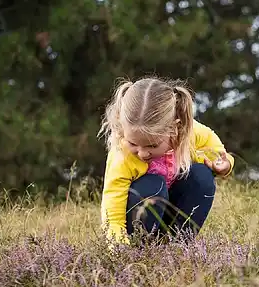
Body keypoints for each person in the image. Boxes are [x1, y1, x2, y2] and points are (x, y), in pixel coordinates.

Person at [98, 76, 234, 246]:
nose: (142, 153)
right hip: (135, 221)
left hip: (169, 212)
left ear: (174, 129)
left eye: (152, 145)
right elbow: (113, 204)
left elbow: (216, 151)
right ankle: (139, 247)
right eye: (133, 143)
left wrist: (225, 165)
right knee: (153, 185)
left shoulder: (189, 132)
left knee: (202, 175)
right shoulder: (122, 155)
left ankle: (176, 246)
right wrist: (117, 243)